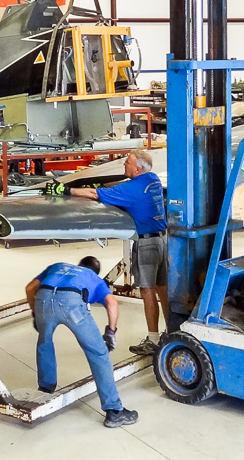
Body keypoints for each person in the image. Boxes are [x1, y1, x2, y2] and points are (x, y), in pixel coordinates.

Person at [52, 150, 168, 356]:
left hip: (147, 244)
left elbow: (95, 195)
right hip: (163, 241)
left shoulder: (132, 190)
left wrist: (66, 189)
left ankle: (152, 339)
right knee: (163, 288)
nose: (124, 164)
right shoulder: (153, 180)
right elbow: (122, 187)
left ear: (137, 169)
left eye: (128, 163)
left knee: (147, 290)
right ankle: (172, 332)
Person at [25, 256, 139, 428]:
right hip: (71, 304)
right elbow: (112, 303)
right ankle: (114, 411)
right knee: (98, 352)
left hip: (43, 298)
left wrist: (37, 314)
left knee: (44, 342)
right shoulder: (95, 279)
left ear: (78, 265)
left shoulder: (57, 265)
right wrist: (110, 332)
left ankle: (45, 390)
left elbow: (30, 288)